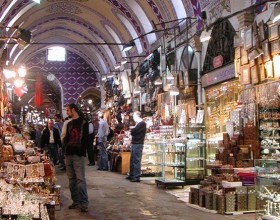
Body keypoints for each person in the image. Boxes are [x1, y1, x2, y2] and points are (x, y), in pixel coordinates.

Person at [63, 103, 89, 212]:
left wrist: (82, 152)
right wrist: (65, 149)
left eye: (68, 110)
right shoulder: (69, 124)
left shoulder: (83, 123)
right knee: (71, 180)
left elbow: (86, 139)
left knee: (80, 179)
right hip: (68, 154)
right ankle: (75, 201)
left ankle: (83, 203)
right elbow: (66, 138)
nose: (67, 112)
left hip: (78, 155)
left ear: (73, 110)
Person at [126, 111, 147, 182]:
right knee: (132, 159)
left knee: (136, 160)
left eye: (134, 116)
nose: (133, 118)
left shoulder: (142, 123)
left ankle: (136, 176)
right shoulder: (138, 124)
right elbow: (133, 131)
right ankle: (132, 174)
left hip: (138, 143)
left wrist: (132, 131)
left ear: (137, 116)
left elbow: (133, 131)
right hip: (135, 143)